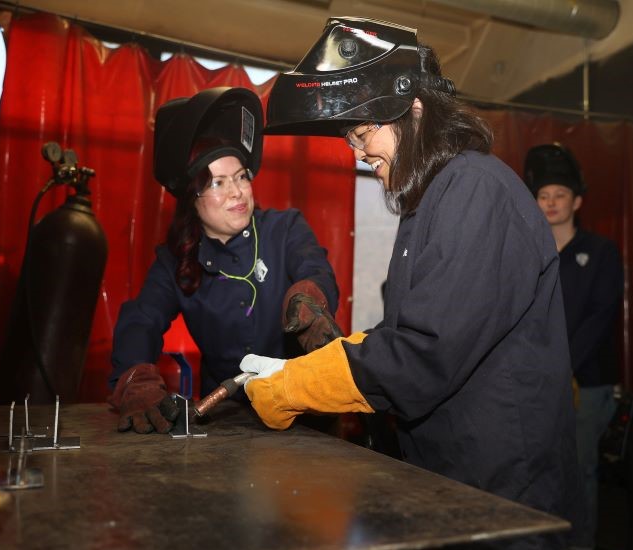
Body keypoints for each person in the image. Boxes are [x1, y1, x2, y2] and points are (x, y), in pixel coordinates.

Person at [239, 17, 582, 549]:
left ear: (415, 111)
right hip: (454, 484)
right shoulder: (431, 200)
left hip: (505, 498)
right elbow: (410, 329)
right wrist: (315, 361)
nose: (355, 151)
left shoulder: (474, 188)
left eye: (362, 131)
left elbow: (426, 353)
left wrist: (296, 387)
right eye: (348, 136)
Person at [107, 87, 340, 434]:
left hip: (303, 412)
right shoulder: (175, 261)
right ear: (191, 200)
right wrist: (135, 376)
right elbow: (142, 320)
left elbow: (315, 270)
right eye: (217, 182)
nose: (237, 192)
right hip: (227, 419)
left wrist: (308, 298)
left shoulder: (284, 228)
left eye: (241, 176)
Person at [525, 143, 624, 550]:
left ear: (576, 201)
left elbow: (600, 318)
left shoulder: (600, 252)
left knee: (579, 469)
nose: (551, 203)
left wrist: (560, 365)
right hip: (537, 385)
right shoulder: (530, 254)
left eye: (559, 196)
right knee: (538, 472)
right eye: (543, 196)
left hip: (589, 382)